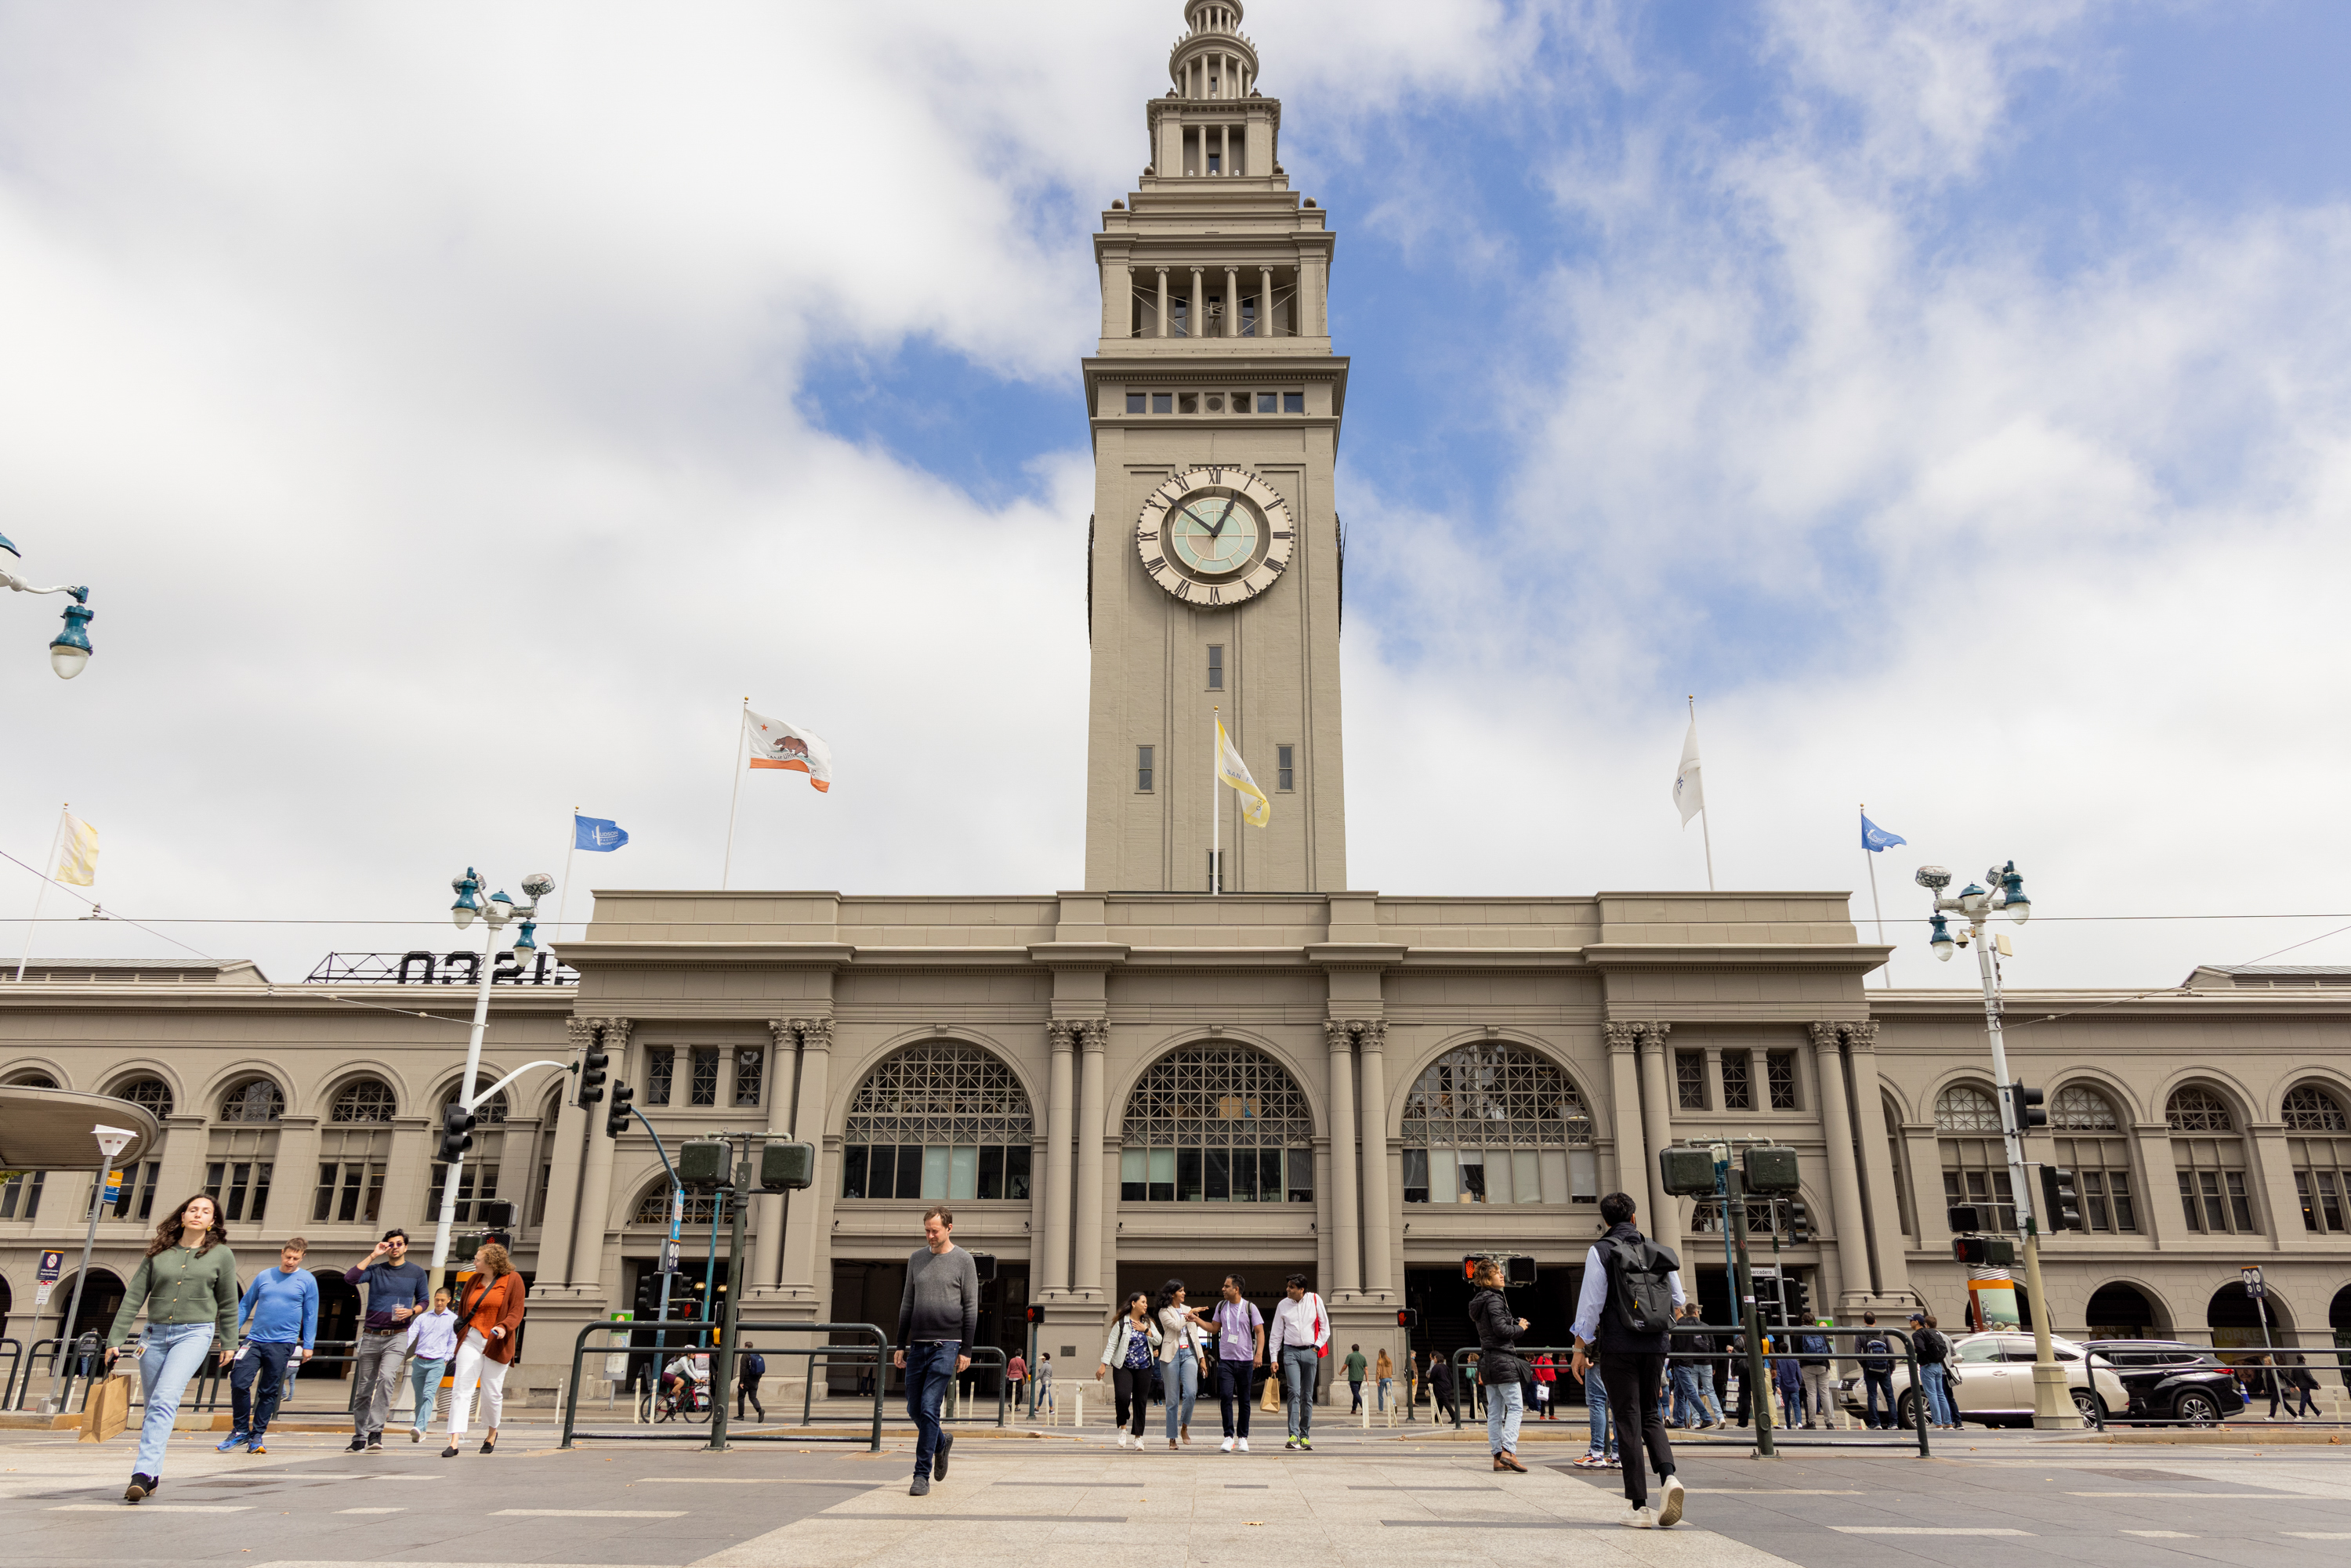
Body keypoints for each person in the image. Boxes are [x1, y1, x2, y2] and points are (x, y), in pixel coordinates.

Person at [105, 1193, 238, 1505]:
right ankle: (151, 1475)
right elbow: (133, 1297)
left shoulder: (222, 1255)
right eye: (193, 1209)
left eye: (206, 1211)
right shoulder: (158, 1253)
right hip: (152, 1336)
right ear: (182, 1216)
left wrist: (229, 1342)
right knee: (155, 1406)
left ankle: (141, 1473)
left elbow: (229, 1303)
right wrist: (115, 1340)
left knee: (165, 1399)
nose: (198, 1214)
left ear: (213, 1221)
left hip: (194, 1335)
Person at [1570, 1191, 1687, 1530]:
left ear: (1605, 1221)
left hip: (1619, 1347)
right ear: (1634, 1218)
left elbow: (1591, 1305)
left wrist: (1581, 1348)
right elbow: (1678, 1300)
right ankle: (1669, 1477)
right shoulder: (1656, 1250)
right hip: (1655, 1345)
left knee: (1626, 1419)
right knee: (1651, 1413)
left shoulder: (1601, 1250)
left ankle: (1638, 1507)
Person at [894, 1205, 978, 1496]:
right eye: (927, 1230)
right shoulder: (916, 1259)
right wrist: (900, 1344)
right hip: (917, 1345)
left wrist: (966, 1349)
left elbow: (971, 1308)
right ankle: (941, 1443)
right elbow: (907, 1303)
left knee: (930, 1407)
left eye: (935, 1230)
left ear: (949, 1228)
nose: (930, 1235)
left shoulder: (964, 1261)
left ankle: (921, 1476)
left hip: (948, 1346)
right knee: (914, 1409)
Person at [218, 1236, 317, 1454]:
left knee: (269, 1390)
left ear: (302, 1257)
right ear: (282, 1253)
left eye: (296, 1258)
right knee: (239, 1381)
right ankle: (240, 1431)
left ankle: (257, 1435)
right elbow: (245, 1305)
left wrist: (308, 1344)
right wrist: (230, 1335)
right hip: (254, 1340)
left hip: (283, 1343)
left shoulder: (308, 1280)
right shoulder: (264, 1276)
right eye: (288, 1257)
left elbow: (311, 1314)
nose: (291, 1261)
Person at [343, 1228, 429, 1453]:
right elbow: (350, 1278)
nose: (395, 1247)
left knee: (387, 1378)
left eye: (399, 1243)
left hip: (398, 1335)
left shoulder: (417, 1272)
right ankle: (359, 1435)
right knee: (363, 1389)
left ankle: (375, 1432)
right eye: (390, 1244)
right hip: (371, 1335)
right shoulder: (376, 1270)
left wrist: (412, 1311)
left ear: (406, 1247)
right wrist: (373, 1254)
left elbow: (425, 1300)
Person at [442, 1240, 524, 1457]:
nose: (474, 1262)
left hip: (496, 1342)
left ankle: (491, 1433)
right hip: (472, 1338)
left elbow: (517, 1310)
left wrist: (505, 1327)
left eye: (477, 1259)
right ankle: (454, 1440)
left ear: (491, 1262)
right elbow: (463, 1309)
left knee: (492, 1393)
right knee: (461, 1389)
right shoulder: (473, 1280)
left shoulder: (513, 1280)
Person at [1468, 1257, 1531, 1474]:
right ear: (1487, 1279)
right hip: (1503, 1358)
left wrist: (1512, 1323)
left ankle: (1497, 1457)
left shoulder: (1480, 1302)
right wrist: (1521, 1328)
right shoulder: (1495, 1300)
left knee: (1494, 1409)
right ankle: (1508, 1451)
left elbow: (1496, 1326)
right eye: (1497, 1273)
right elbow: (1502, 1330)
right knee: (1514, 1406)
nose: (1502, 1276)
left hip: (1488, 1360)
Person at [1267, 1273, 1328, 1450]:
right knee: (1294, 1392)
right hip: (1290, 1352)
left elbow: (1325, 1327)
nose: (1288, 1290)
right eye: (1288, 1286)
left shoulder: (1315, 1300)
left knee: (1307, 1396)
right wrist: (1273, 1358)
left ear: (1301, 1290)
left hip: (1310, 1351)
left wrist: (1316, 1347)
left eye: (1291, 1287)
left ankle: (1305, 1436)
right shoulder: (1283, 1305)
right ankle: (1293, 1435)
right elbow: (1276, 1333)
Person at [1099, 1290, 1161, 1448]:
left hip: (1144, 1367)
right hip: (1123, 1366)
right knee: (1122, 1397)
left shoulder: (1147, 1323)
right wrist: (1103, 1365)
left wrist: (1146, 1330)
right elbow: (1112, 1345)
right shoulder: (1121, 1323)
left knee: (1140, 1402)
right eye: (1143, 1302)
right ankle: (1123, 1429)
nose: (1146, 1305)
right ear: (1133, 1304)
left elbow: (1159, 1339)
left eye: (1146, 1303)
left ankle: (1138, 1437)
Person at [1208, 1274, 1264, 1452]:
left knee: (1244, 1400)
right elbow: (1214, 1328)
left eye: (1226, 1286)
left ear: (1236, 1289)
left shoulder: (1250, 1307)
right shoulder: (1221, 1306)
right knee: (1225, 1396)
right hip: (1226, 1360)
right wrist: (1196, 1321)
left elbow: (1260, 1332)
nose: (1223, 1289)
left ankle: (1243, 1437)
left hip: (1245, 1361)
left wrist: (1259, 1354)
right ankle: (1228, 1436)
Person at [400, 1287, 458, 1443]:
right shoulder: (423, 1318)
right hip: (419, 1361)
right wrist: (399, 1352)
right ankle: (422, 1431)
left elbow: (454, 1341)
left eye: (442, 1300)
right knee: (419, 1398)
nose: (439, 1303)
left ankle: (419, 1426)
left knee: (428, 1394)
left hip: (437, 1362)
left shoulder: (453, 1319)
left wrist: (446, 1359)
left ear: (449, 1300)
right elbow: (411, 1334)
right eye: (437, 1299)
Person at [1157, 1279, 1208, 1448]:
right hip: (1171, 1355)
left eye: (1184, 1290)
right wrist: (1190, 1314)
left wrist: (1202, 1358)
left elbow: (1195, 1336)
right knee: (1172, 1399)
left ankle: (1184, 1427)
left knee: (1192, 1392)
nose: (1184, 1293)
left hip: (1189, 1354)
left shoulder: (1187, 1310)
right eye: (1181, 1291)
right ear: (1173, 1294)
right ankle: (1172, 1437)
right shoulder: (1164, 1312)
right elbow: (1178, 1326)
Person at [1671, 1305, 1722, 1429]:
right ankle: (1678, 1421)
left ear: (1678, 1310)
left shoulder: (1680, 1324)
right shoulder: (1688, 1324)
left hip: (1681, 1362)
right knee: (1679, 1393)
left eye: (1672, 1308)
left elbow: (1676, 1345)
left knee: (1690, 1392)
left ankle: (1706, 1418)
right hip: (1686, 1362)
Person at [1910, 1312, 1958, 1430]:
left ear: (1916, 1322)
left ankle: (1938, 1423)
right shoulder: (1932, 1332)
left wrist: (1916, 1349)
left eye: (1911, 1320)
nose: (1909, 1322)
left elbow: (1920, 1348)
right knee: (1941, 1394)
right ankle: (1948, 1423)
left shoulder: (1917, 1334)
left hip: (1927, 1366)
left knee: (1932, 1395)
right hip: (1938, 1365)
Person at [1574, 1356, 1617, 1469]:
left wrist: (1583, 1352)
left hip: (1598, 1355)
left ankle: (1596, 1453)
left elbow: (1590, 1338)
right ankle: (1618, 1454)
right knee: (1617, 1403)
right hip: (1622, 1354)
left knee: (1596, 1400)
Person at [1855, 1313, 1896, 1430]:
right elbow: (1891, 1352)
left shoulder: (1861, 1334)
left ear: (1864, 1321)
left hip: (1870, 1370)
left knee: (1872, 1396)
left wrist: (1866, 1365)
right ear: (1875, 1321)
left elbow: (1857, 1353)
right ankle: (1894, 1423)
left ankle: (1876, 1423)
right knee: (1889, 1396)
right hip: (1884, 1369)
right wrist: (1891, 1368)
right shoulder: (1883, 1333)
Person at [1793, 1321, 1835, 1429]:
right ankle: (1829, 1422)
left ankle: (1812, 1422)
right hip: (1823, 1365)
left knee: (1811, 1393)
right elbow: (1829, 1351)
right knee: (1825, 1393)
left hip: (1807, 1366)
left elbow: (1795, 1351)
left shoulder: (1801, 1333)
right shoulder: (1820, 1332)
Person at [1427, 1348, 1458, 1425]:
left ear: (1437, 1359)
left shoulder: (1436, 1367)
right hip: (1447, 1386)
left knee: (1445, 1402)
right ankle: (1437, 1417)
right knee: (1440, 1402)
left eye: (1434, 1358)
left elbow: (1432, 1378)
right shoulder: (1446, 1367)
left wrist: (1427, 1386)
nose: (1434, 1360)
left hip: (1440, 1387)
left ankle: (1454, 1417)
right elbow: (1450, 1377)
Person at [737, 1340, 766, 1422]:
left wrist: (741, 1381)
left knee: (741, 1397)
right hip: (754, 1380)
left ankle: (741, 1415)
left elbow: (743, 1369)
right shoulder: (756, 1355)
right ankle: (760, 1410)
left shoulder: (745, 1355)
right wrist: (758, 1379)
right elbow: (760, 1369)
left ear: (746, 1347)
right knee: (753, 1398)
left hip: (746, 1380)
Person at [1773, 1351, 1803, 1428]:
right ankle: (1799, 1422)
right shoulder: (1794, 1360)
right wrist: (1799, 1384)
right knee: (1796, 1405)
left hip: (1785, 1386)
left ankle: (1788, 1424)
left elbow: (1778, 1374)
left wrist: (1778, 1385)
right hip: (1794, 1385)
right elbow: (1798, 1373)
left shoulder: (1779, 1361)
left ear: (1780, 1350)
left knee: (1787, 1406)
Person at [1343, 1342, 1367, 1413]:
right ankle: (1354, 1409)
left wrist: (1340, 1372)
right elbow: (1366, 1369)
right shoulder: (1363, 1357)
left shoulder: (1350, 1356)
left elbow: (1345, 1366)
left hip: (1353, 1378)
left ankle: (1364, 1407)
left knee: (1356, 1394)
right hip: (1360, 1378)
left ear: (1352, 1349)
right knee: (1356, 1393)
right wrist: (1367, 1379)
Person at [1532, 1351, 1557, 1420]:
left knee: (1552, 1398)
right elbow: (1537, 1369)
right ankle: (1542, 1415)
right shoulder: (1542, 1358)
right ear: (1546, 1353)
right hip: (1545, 1381)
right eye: (1550, 1352)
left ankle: (1551, 1414)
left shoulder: (1550, 1360)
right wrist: (1541, 1379)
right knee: (1544, 1398)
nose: (1552, 1354)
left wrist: (1554, 1378)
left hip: (1552, 1380)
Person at [1007, 1350, 1027, 1414]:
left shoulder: (1012, 1360)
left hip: (1011, 1377)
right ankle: (1012, 1403)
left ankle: (1017, 1406)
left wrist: (1008, 1375)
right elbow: (1024, 1370)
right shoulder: (1022, 1361)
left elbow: (1009, 1369)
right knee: (1017, 1392)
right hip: (1018, 1377)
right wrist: (1027, 1376)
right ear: (1021, 1354)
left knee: (1013, 1392)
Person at [1036, 1351, 1055, 1417]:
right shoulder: (1050, 1365)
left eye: (1042, 1358)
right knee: (1041, 1395)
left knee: (1048, 1395)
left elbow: (1040, 1375)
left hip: (1045, 1382)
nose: (1041, 1359)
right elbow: (1051, 1374)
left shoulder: (1044, 1365)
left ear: (1045, 1358)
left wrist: (1034, 1380)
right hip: (1049, 1381)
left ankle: (1051, 1409)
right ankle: (1037, 1408)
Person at [1376, 1345, 1394, 1414]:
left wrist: (1377, 1381)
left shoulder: (1379, 1361)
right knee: (1389, 1393)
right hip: (1389, 1378)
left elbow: (1378, 1371)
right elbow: (1391, 1370)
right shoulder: (1389, 1360)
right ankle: (1393, 1405)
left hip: (1382, 1379)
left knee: (1380, 1395)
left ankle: (1381, 1409)